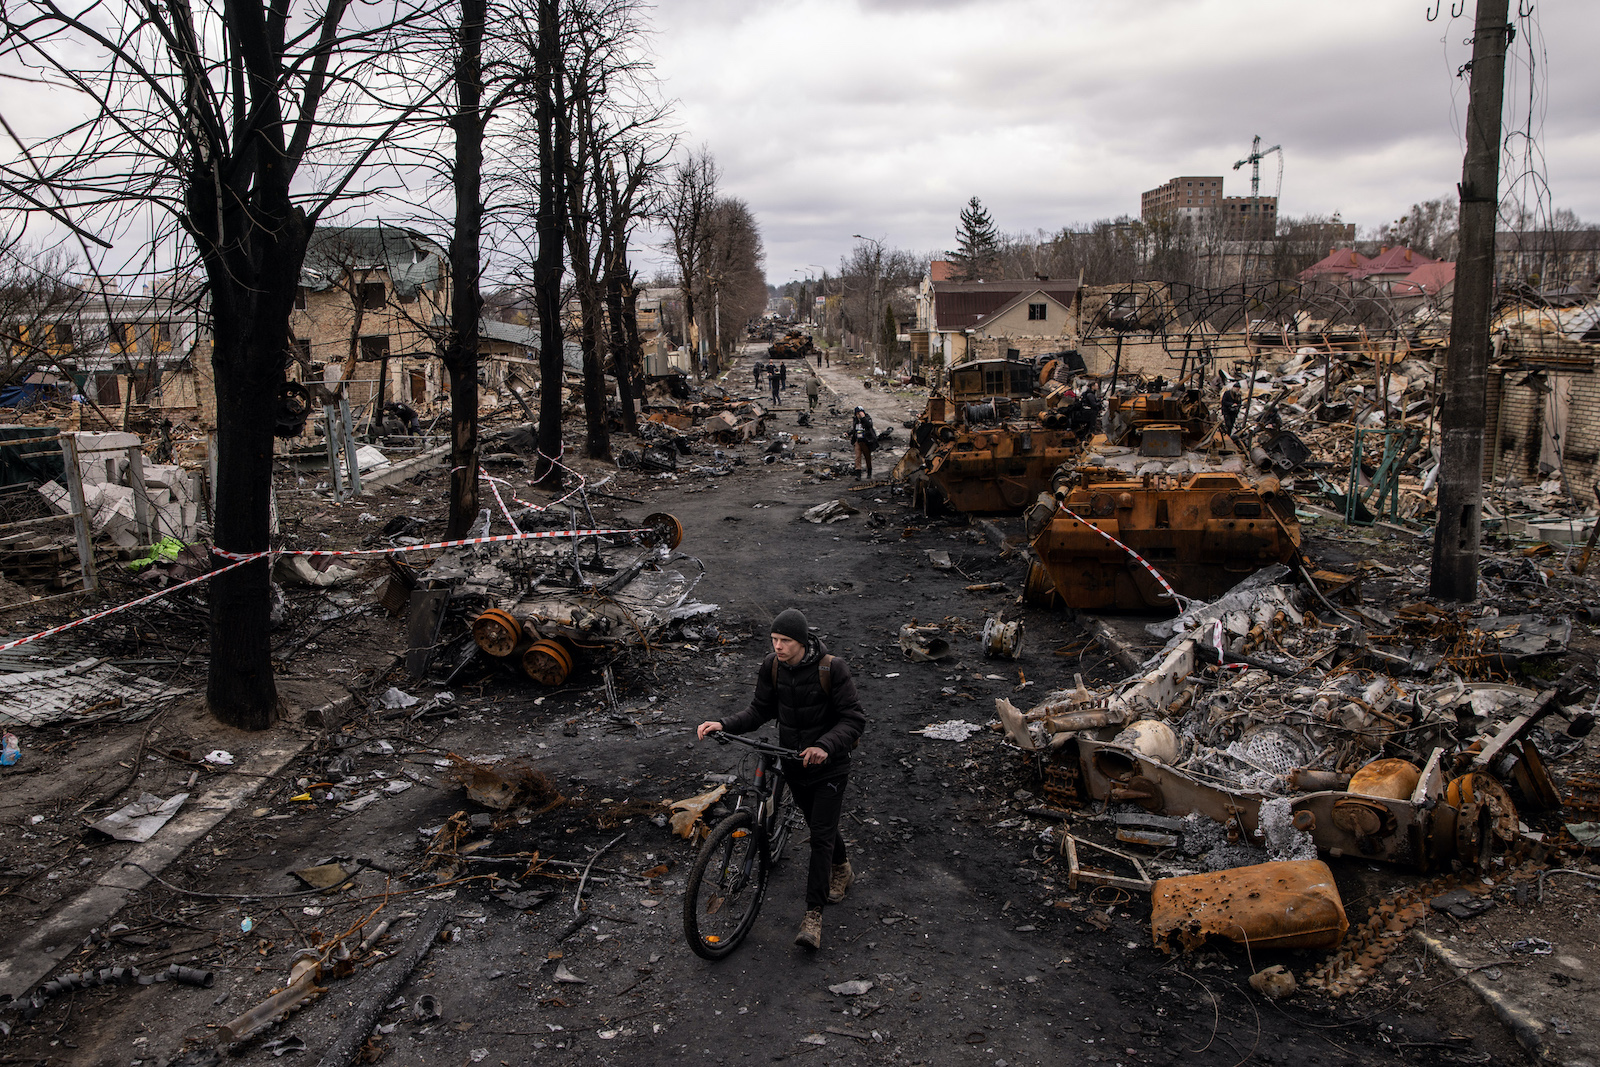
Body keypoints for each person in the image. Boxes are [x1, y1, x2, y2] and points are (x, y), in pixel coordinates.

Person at [697, 609, 866, 951]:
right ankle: (842, 867)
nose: (778, 647)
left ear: (802, 641)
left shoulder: (832, 669)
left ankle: (813, 916)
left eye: (785, 641)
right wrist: (724, 724)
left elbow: (853, 720)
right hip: (793, 763)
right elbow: (759, 710)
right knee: (822, 824)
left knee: (819, 836)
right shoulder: (772, 666)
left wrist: (824, 745)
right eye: (774, 640)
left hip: (830, 766)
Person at [850, 406, 876, 480]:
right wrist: (849, 433)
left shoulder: (867, 419)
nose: (859, 415)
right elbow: (854, 429)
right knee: (857, 457)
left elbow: (869, 426)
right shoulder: (855, 420)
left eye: (860, 413)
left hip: (866, 440)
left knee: (867, 457)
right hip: (858, 440)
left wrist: (863, 418)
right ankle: (858, 474)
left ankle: (869, 471)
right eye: (857, 413)